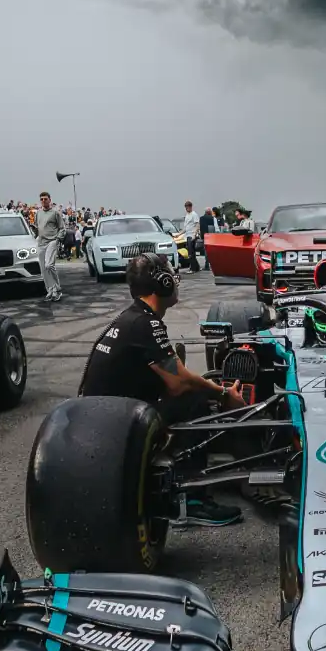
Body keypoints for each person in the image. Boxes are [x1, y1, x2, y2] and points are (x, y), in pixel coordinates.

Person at [79, 254, 245, 526]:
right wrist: (224, 394)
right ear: (164, 283)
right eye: (172, 276)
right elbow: (179, 382)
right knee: (195, 399)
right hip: (112, 429)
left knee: (194, 389)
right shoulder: (146, 323)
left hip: (102, 419)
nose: (176, 282)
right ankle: (191, 500)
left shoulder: (133, 317)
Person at [36, 190, 65, 303]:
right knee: (43, 268)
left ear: (50, 200)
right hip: (41, 242)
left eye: (45, 199)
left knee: (49, 265)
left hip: (52, 241)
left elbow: (62, 228)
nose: (43, 201)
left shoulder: (55, 213)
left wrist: (58, 239)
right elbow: (39, 226)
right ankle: (50, 290)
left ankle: (57, 289)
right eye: (41, 199)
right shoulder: (38, 213)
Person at [182, 200, 201, 274]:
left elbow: (197, 225)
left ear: (191, 207)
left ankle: (193, 269)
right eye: (186, 207)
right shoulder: (187, 215)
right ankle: (196, 267)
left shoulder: (194, 214)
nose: (187, 208)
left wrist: (194, 235)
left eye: (188, 207)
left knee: (191, 253)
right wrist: (178, 234)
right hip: (187, 235)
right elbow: (185, 228)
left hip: (192, 235)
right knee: (191, 252)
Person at [198, 206, 218, 271]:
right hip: (211, 237)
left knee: (206, 250)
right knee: (212, 251)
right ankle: (211, 265)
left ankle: (206, 265)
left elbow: (199, 228)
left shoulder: (201, 218)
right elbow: (216, 228)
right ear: (210, 212)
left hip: (204, 237)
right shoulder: (213, 218)